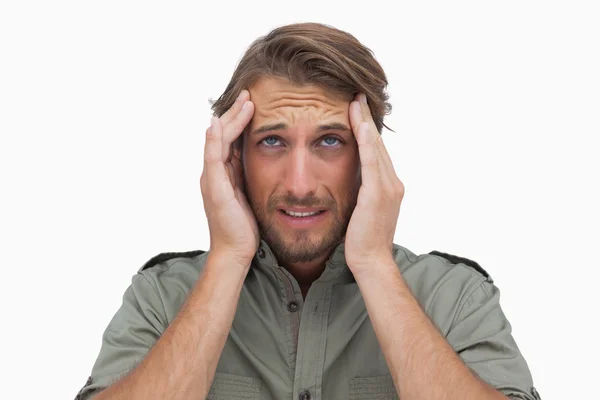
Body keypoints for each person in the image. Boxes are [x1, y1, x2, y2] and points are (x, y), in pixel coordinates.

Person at [76, 22, 540, 400]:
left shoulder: (454, 299)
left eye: (330, 141)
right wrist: (228, 258)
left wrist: (374, 263)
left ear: (369, 156)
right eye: (272, 141)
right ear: (235, 157)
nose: (300, 185)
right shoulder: (162, 298)